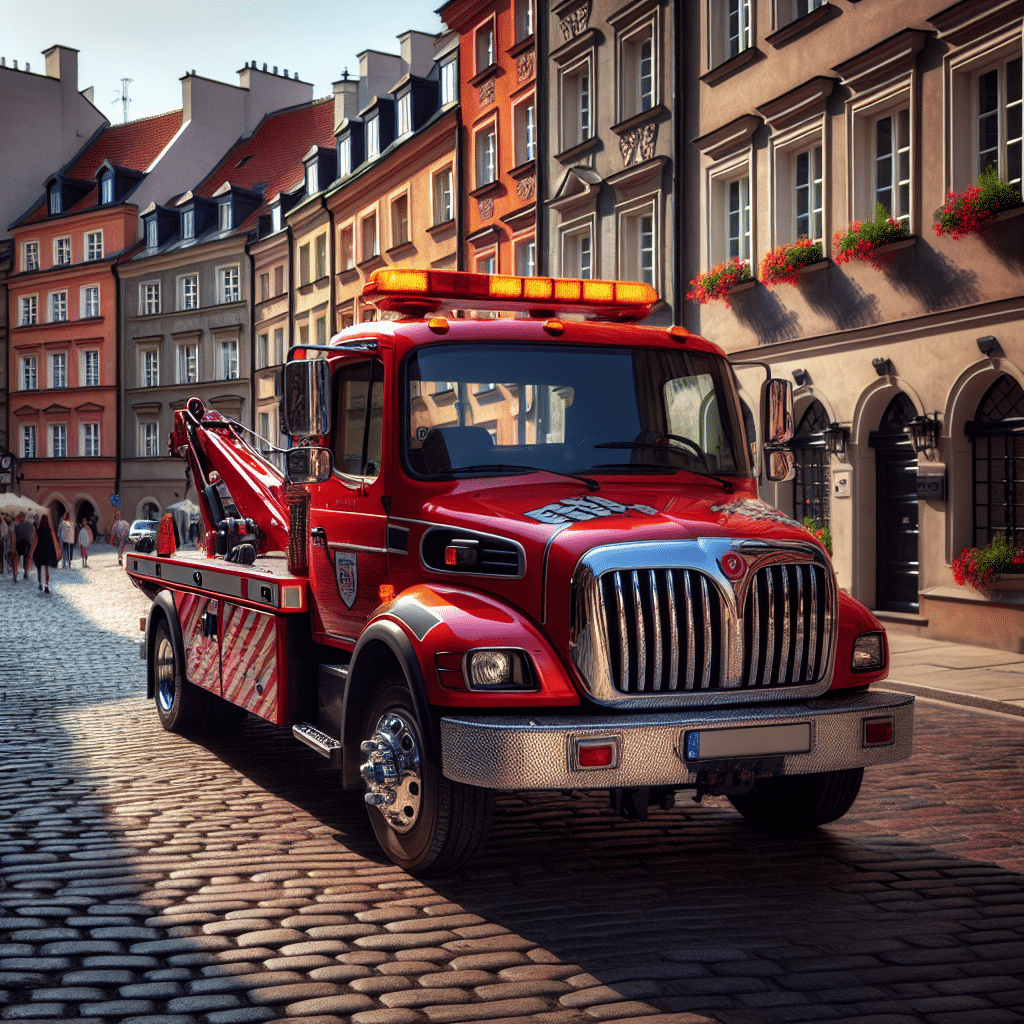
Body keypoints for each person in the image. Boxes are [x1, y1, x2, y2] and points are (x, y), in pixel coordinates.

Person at [30, 514, 59, 594]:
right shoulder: (49, 530)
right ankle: (46, 586)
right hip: (47, 551)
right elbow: (53, 541)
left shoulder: (38, 530)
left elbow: (35, 540)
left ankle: (40, 583)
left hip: (39, 550)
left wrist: (32, 551)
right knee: (46, 569)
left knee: (39, 567)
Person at [12, 513, 34, 581]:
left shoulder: (17, 526)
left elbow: (14, 534)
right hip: (27, 544)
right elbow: (31, 535)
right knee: (25, 559)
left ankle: (15, 575)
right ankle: (25, 574)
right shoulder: (30, 525)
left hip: (19, 543)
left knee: (17, 559)